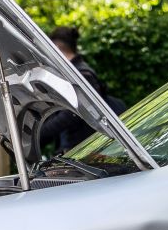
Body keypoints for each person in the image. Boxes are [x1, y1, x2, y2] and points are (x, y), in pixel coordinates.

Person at [40, 25, 125, 155]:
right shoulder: (72, 74)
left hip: (87, 154)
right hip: (78, 152)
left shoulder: (83, 76)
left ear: (55, 48)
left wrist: (40, 134)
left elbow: (71, 115)